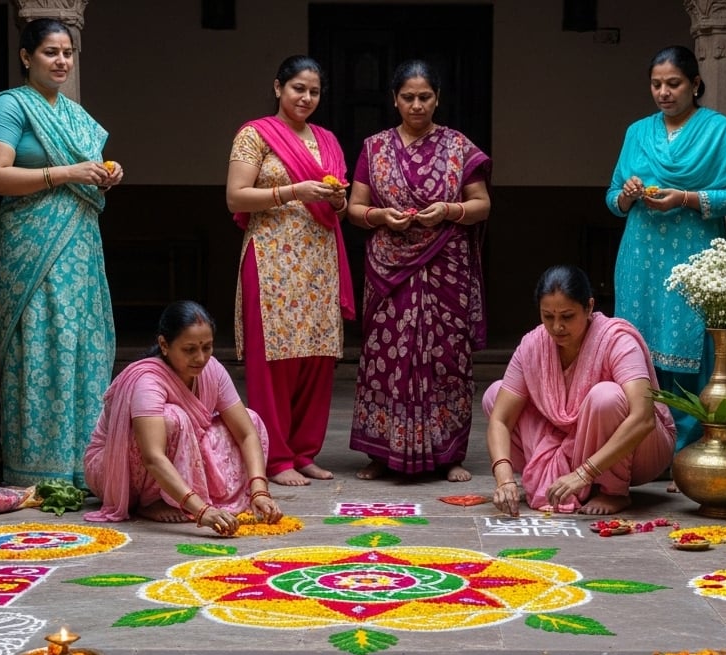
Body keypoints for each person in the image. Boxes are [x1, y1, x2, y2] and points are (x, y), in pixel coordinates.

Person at [0, 17, 123, 487]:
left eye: (68, 52)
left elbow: (88, 168)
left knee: (83, 343)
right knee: (41, 343)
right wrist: (66, 174)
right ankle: (37, 469)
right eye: (50, 52)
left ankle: (86, 466)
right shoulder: (11, 106)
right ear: (26, 56)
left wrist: (105, 171)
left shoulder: (75, 114)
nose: (62, 61)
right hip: (32, 245)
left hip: (79, 248)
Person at [345, 60, 492, 483]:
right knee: (383, 358)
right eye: (407, 97)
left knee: (445, 357)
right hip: (388, 266)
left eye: (424, 96)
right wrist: (381, 217)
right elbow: (355, 209)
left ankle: (449, 453)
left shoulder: (458, 146)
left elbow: (482, 204)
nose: (416, 105)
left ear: (437, 98)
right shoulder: (374, 148)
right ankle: (380, 452)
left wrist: (448, 210)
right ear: (394, 99)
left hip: (446, 264)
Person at [606, 45, 726, 454]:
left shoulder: (717, 130)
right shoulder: (637, 132)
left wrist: (686, 197)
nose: (664, 92)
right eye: (656, 84)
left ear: (695, 84)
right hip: (640, 254)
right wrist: (628, 194)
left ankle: (688, 449)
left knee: (688, 341)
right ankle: (642, 445)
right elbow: (613, 196)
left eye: (673, 83)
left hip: (694, 255)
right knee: (639, 344)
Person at [226, 54, 353, 487]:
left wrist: (336, 201)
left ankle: (303, 452)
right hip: (271, 259)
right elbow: (236, 197)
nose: (306, 97)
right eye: (298, 88)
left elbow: (340, 205)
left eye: (314, 91)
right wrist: (294, 190)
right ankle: (275, 456)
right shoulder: (254, 136)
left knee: (316, 358)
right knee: (274, 360)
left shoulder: (329, 141)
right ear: (279, 87)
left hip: (318, 260)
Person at [485, 266, 676, 517]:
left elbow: (643, 418)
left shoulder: (616, 339)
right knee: (495, 395)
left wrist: (582, 474)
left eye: (567, 316)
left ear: (589, 307)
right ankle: (560, 478)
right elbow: (500, 419)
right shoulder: (533, 344)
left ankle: (612, 489)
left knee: (605, 397)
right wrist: (504, 478)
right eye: (548, 317)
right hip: (570, 442)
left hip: (640, 449)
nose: (557, 327)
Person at [82, 302, 282, 536]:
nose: (200, 358)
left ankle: (180, 497)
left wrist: (259, 489)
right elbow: (153, 457)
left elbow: (247, 433)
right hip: (113, 471)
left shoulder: (212, 370)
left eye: (207, 347)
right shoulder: (147, 381)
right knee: (173, 419)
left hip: (173, 458)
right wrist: (202, 511)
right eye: (189, 350)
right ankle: (151, 502)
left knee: (251, 418)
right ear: (164, 345)